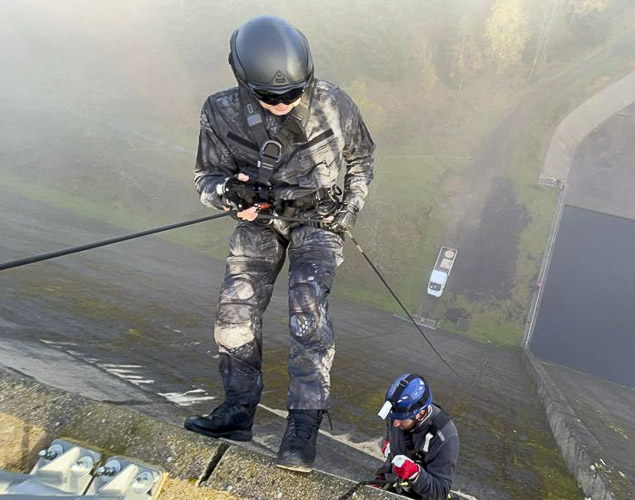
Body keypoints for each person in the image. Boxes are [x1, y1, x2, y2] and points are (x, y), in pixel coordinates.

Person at [184, 15, 375, 473]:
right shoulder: (219, 111)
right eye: (270, 97)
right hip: (261, 220)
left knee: (307, 311)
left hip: (318, 220)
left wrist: (347, 210)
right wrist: (230, 196)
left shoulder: (334, 104)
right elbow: (206, 176)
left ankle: (301, 430)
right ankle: (237, 411)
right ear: (242, 80)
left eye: (292, 93)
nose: (283, 103)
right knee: (235, 308)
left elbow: (362, 158)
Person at [373, 374, 459, 499]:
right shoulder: (396, 414)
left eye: (401, 419)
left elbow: (440, 492)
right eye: (393, 418)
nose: (395, 424)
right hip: (397, 483)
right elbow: (392, 449)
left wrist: (415, 474)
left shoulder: (446, 437)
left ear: (421, 413)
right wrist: (381, 478)